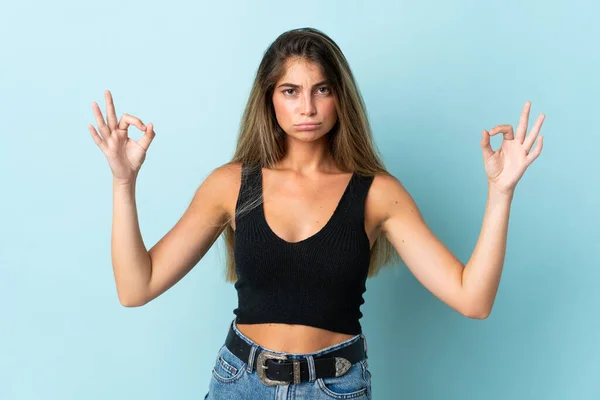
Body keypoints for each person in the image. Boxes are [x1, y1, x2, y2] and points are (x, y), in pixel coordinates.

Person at [88, 27, 545, 399]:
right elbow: (136, 287)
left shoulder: (378, 194)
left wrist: (500, 192)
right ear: (270, 98)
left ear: (339, 97)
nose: (307, 107)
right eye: (290, 91)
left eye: (320, 89)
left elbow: (473, 299)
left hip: (335, 387)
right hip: (239, 383)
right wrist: (123, 182)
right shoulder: (231, 185)